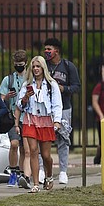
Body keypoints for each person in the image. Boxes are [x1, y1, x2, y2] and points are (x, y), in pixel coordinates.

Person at [16, 55, 63, 193]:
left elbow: (57, 104)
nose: (36, 69)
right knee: (32, 150)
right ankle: (35, 183)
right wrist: (25, 98)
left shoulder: (51, 84)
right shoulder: (27, 85)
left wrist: (57, 121)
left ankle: (49, 176)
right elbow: (20, 105)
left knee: (46, 154)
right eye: (34, 67)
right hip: (30, 119)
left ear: (43, 68)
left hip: (46, 120)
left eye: (38, 66)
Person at [43, 38, 81, 185]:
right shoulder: (43, 66)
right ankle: (42, 170)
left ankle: (63, 171)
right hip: (45, 109)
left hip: (64, 107)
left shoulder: (67, 66)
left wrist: (63, 89)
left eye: (49, 49)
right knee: (43, 140)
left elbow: (76, 86)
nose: (46, 52)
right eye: (45, 49)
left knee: (63, 139)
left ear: (56, 51)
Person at [0, 50, 28, 184]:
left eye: (21, 64)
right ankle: (13, 171)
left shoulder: (30, 78)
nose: (18, 66)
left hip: (27, 117)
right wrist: (7, 97)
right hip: (13, 117)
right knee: (14, 144)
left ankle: (23, 174)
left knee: (25, 148)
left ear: (26, 64)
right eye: (16, 64)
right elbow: (1, 99)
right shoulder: (8, 79)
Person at [91, 64, 104, 165]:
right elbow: (94, 102)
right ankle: (98, 157)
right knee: (103, 142)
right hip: (101, 118)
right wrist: (101, 115)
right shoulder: (99, 86)